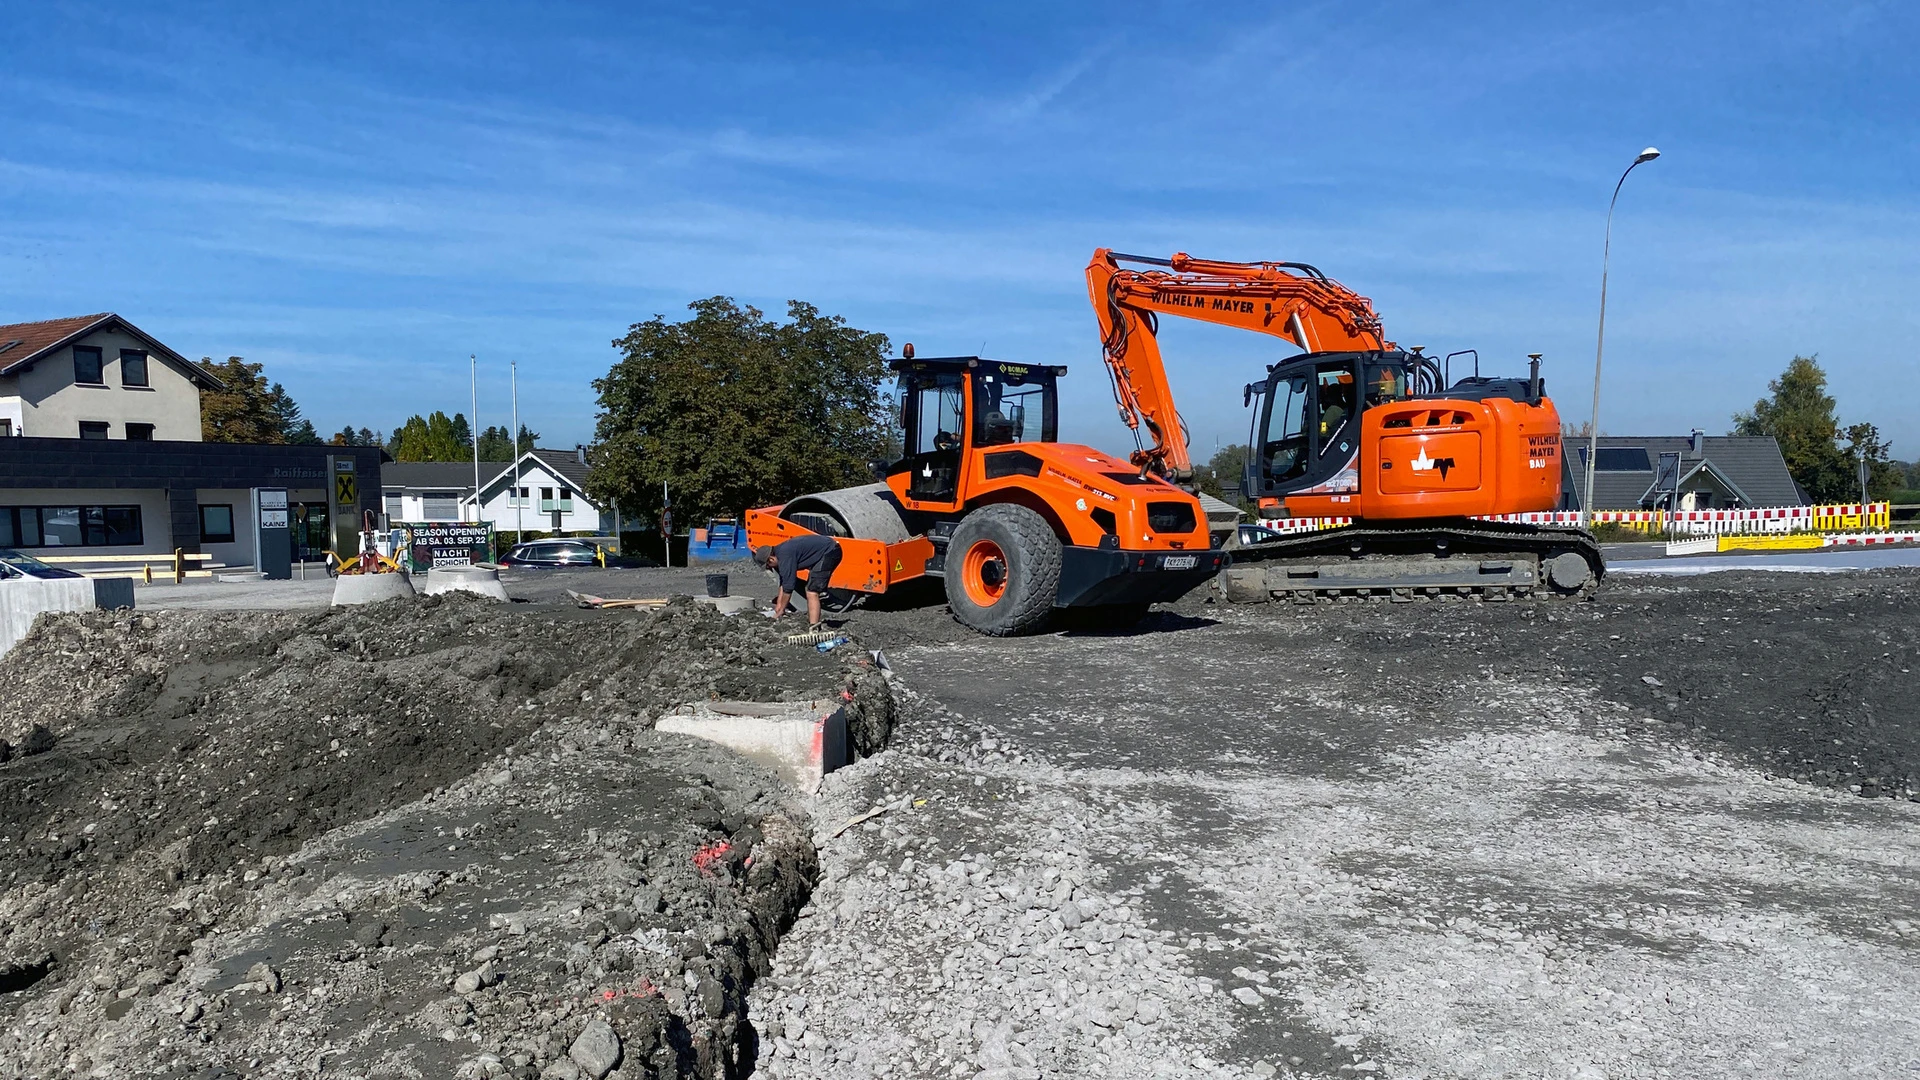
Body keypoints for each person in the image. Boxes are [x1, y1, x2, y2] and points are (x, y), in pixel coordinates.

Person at [753, 535, 843, 629]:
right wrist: (779, 604)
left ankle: (814, 627)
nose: (770, 568)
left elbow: (788, 587)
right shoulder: (780, 553)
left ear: (771, 559)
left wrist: (782, 610)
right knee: (810, 589)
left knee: (812, 591)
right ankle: (813, 623)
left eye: (768, 566)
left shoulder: (785, 556)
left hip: (830, 551)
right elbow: (783, 581)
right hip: (825, 549)